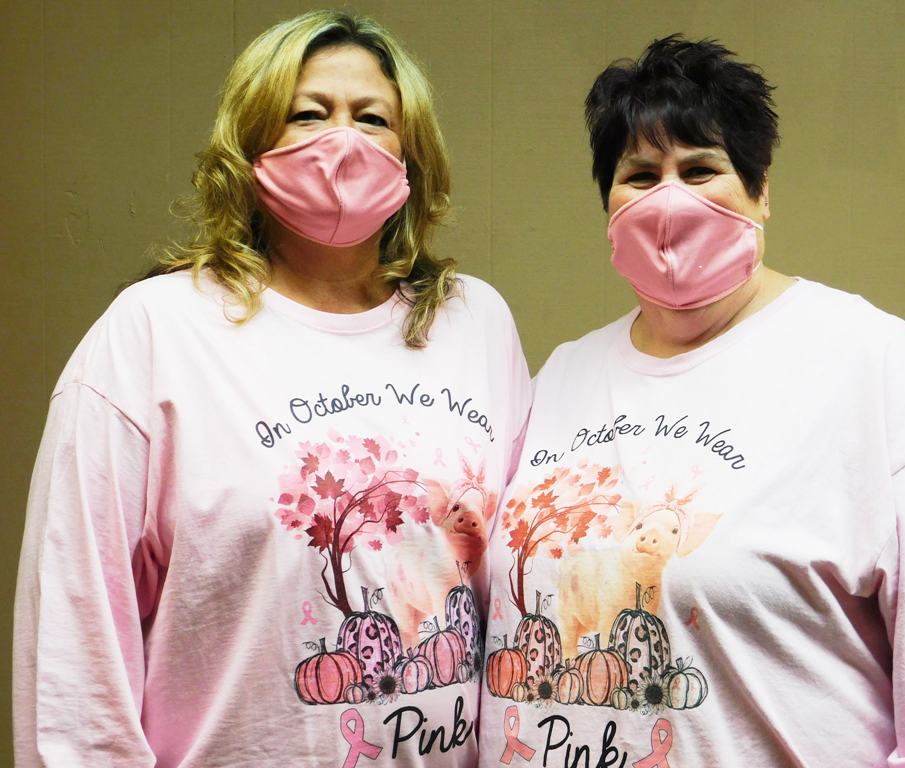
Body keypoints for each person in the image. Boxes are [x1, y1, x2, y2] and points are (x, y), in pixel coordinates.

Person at [478, 35, 905, 767]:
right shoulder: (564, 375)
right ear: (608, 205)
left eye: (701, 169)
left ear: (761, 190)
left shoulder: (878, 366)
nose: (669, 200)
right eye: (640, 176)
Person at [13, 10, 530, 767]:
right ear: (253, 142)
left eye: (373, 118)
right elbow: (74, 644)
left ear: (411, 152)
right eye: (308, 114)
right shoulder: (155, 331)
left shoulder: (473, 323)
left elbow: (511, 590)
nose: (343, 140)